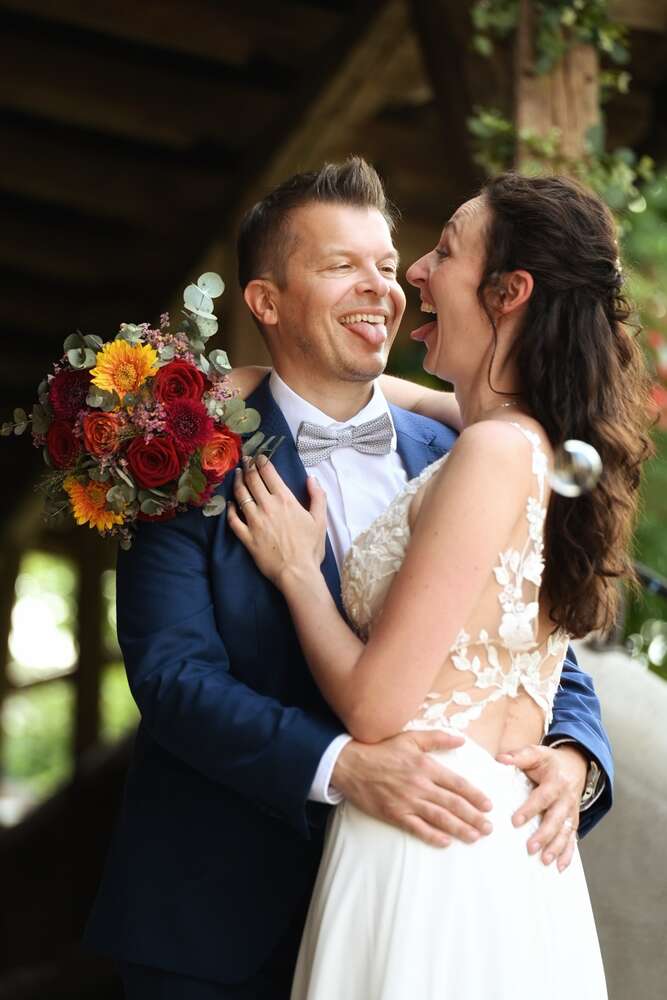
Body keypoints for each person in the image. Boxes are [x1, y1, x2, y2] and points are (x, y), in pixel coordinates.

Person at [84, 160, 615, 999]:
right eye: (340, 267)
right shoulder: (184, 455)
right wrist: (341, 765)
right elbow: (172, 676)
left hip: (435, 883)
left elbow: (531, 637)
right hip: (219, 920)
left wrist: (574, 755)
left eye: (386, 261)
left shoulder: (467, 449)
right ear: (266, 303)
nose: (385, 285)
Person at [228, 170, 652, 998]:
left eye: (444, 251)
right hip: (503, 849)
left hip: (423, 845)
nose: (411, 274)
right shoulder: (529, 440)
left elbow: (377, 706)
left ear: (508, 292)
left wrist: (295, 573)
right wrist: (245, 385)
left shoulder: (492, 454)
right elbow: (395, 393)